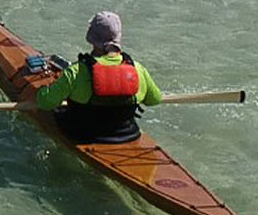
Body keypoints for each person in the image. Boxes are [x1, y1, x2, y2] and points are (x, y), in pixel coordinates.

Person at [35, 11, 164, 144]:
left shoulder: (76, 71)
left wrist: (42, 91)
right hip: (127, 134)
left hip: (83, 135)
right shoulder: (138, 69)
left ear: (91, 38)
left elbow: (45, 103)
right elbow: (154, 100)